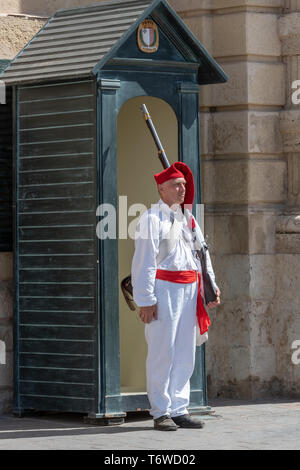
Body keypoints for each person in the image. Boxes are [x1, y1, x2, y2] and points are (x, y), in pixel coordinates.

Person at [131, 162, 221, 431]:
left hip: (190, 290)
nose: (182, 189)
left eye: (183, 184)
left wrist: (211, 286)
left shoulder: (189, 219)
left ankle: (179, 408)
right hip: (164, 289)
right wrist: (145, 300)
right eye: (176, 185)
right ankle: (160, 411)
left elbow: (202, 255)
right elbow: (144, 263)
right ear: (162, 188)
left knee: (185, 351)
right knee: (162, 351)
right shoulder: (151, 219)